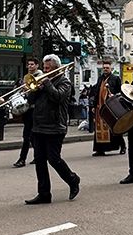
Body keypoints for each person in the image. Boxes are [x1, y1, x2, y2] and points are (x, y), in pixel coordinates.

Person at [22, 54, 80, 204]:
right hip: (38, 126)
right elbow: (30, 100)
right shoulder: (42, 82)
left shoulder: (65, 82)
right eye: (44, 68)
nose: (45, 71)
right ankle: (44, 194)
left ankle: (72, 179)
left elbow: (58, 97)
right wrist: (34, 89)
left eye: (48, 68)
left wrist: (47, 83)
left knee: (54, 159)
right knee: (40, 161)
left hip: (55, 126)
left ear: (56, 69)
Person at [90, 59, 125, 156]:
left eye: (107, 68)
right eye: (104, 68)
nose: (105, 69)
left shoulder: (115, 78)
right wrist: (94, 105)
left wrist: (114, 95)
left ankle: (122, 146)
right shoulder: (100, 78)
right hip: (100, 107)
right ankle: (100, 149)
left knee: (113, 127)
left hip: (110, 107)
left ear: (111, 68)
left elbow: (120, 92)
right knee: (99, 128)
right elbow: (97, 92)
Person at [13, 57, 40, 168]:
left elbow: (37, 93)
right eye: (28, 64)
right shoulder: (26, 77)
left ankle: (22, 159)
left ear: (37, 65)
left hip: (35, 109)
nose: (30, 66)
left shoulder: (40, 76)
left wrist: (29, 90)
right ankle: (38, 156)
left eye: (32, 64)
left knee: (28, 136)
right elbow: (26, 93)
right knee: (30, 136)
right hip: (28, 109)